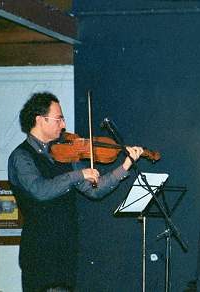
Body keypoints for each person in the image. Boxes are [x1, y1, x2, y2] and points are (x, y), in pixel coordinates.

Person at [8, 92, 144, 292]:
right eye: (59, 118)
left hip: (66, 251)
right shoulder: (21, 157)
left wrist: (125, 166)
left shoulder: (64, 153)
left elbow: (94, 191)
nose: (63, 125)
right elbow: (40, 190)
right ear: (39, 119)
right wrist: (78, 175)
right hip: (40, 254)